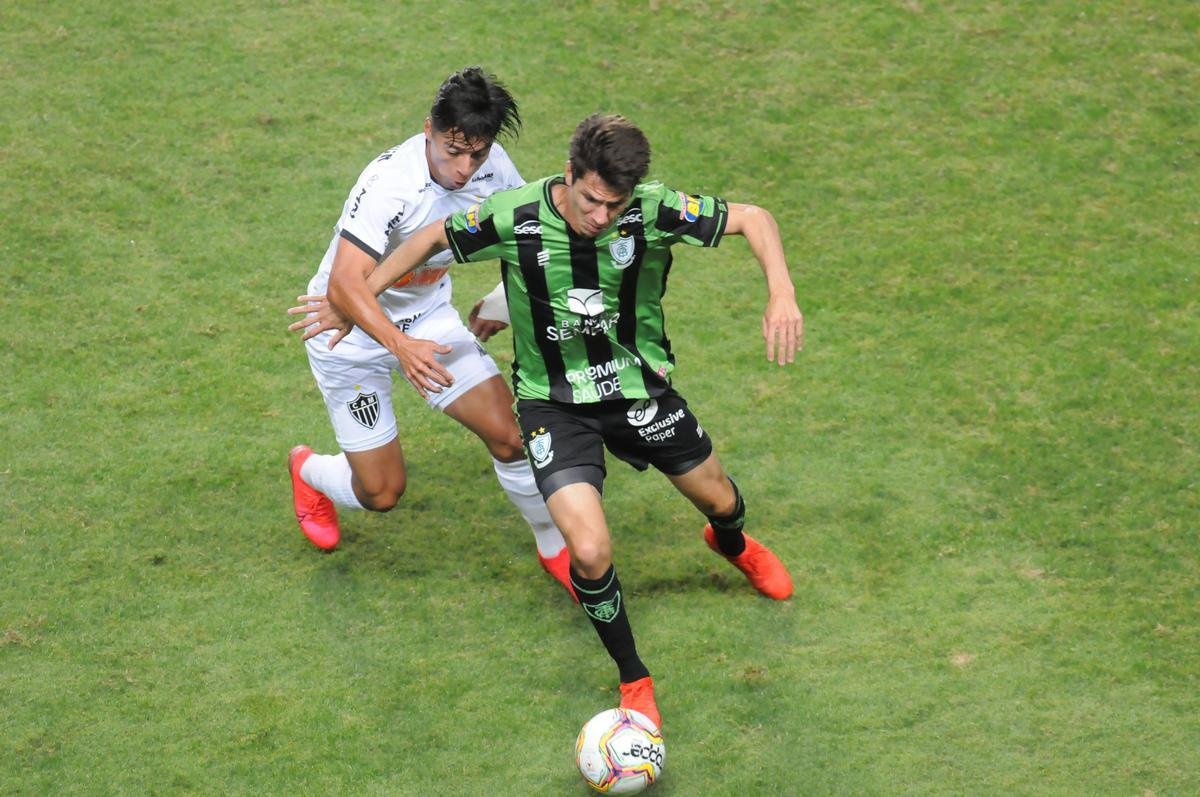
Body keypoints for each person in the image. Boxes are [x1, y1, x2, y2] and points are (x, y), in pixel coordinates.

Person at [298, 113, 803, 729]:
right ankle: (634, 679)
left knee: (720, 501)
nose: (601, 218)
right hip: (553, 405)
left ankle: (732, 544)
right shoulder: (516, 214)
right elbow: (430, 237)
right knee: (589, 551)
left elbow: (755, 219)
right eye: (591, 201)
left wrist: (781, 290)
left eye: (614, 207)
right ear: (570, 175)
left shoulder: (653, 208)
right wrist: (359, 297)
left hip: (636, 390)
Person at [284, 67, 574, 600]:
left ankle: (555, 548)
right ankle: (309, 471)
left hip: (428, 319)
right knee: (382, 492)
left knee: (512, 436)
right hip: (344, 334)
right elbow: (347, 286)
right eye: (452, 150)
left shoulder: (494, 170)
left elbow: (526, 240)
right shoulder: (389, 182)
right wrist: (400, 346)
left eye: (477, 155)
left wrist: (502, 302)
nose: (464, 170)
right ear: (427, 130)